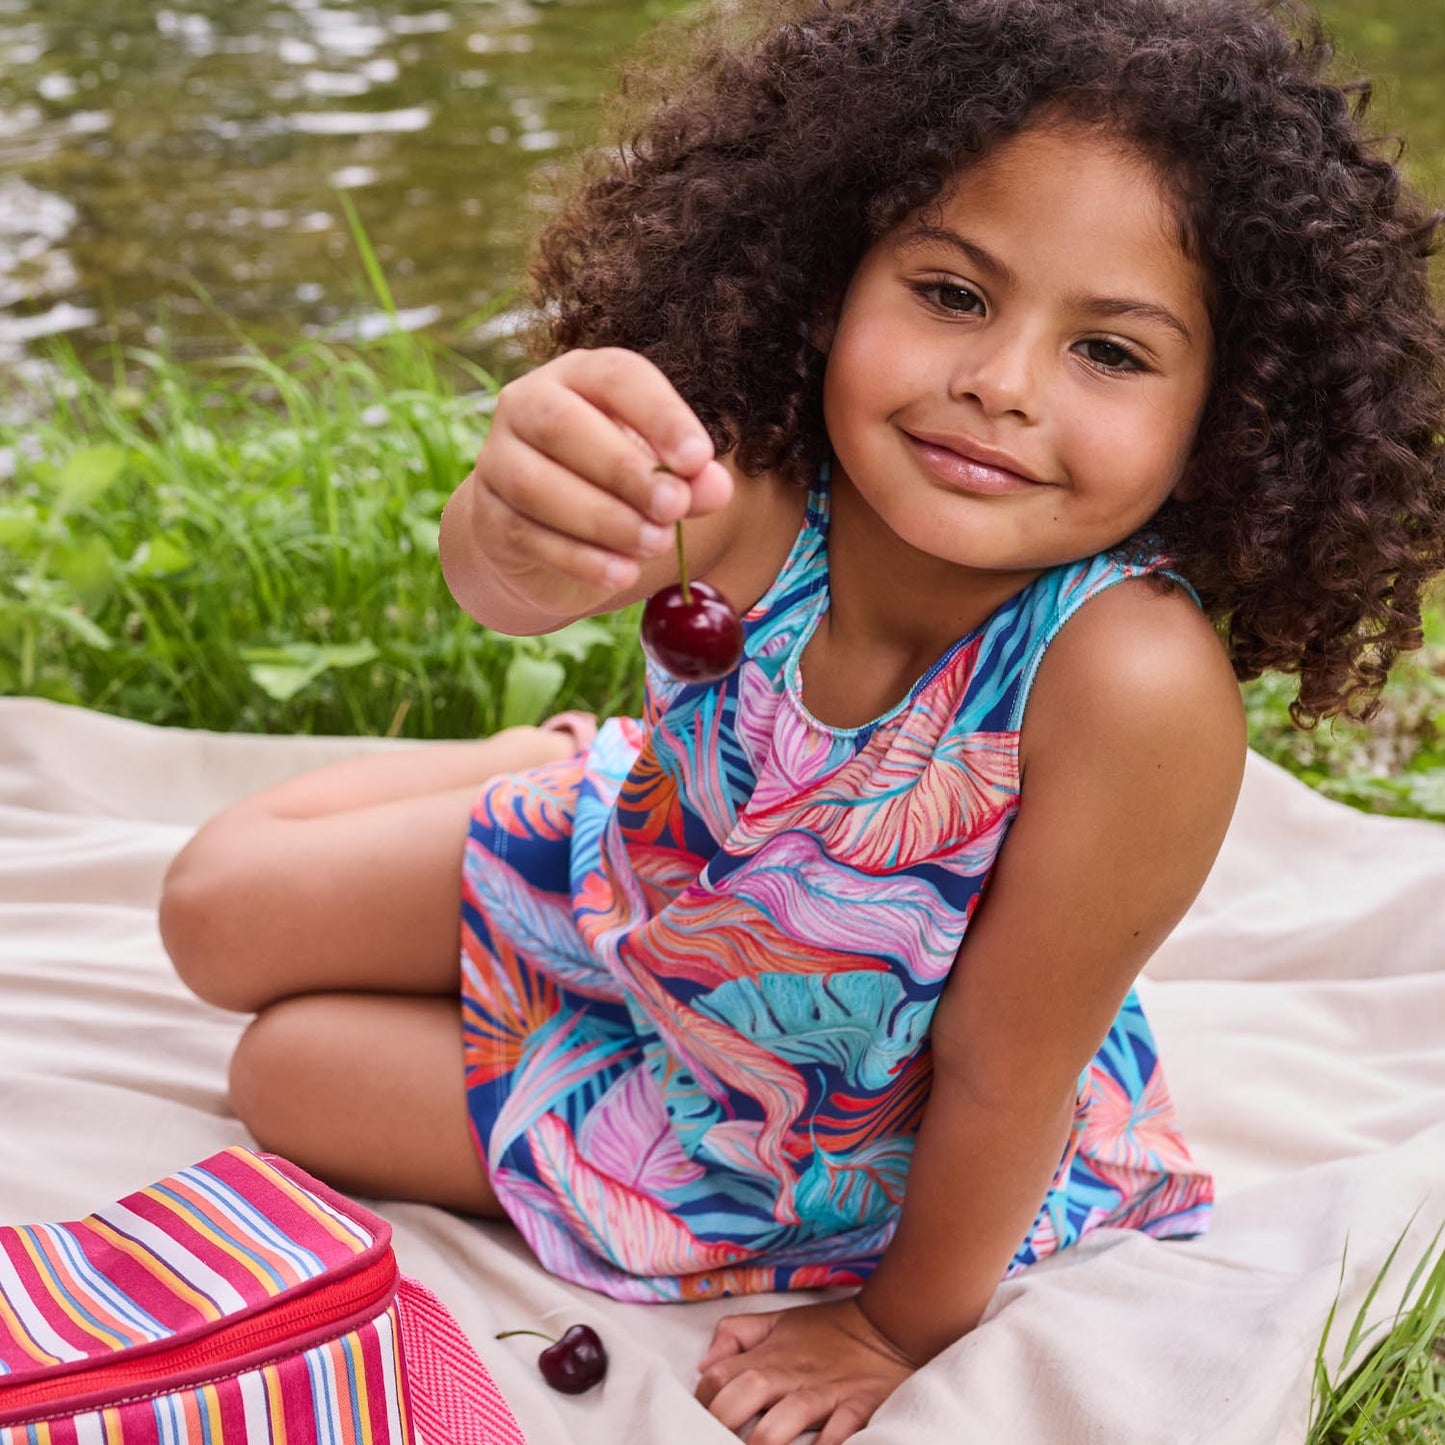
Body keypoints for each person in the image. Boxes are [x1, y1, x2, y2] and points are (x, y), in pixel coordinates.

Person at [159, 0, 1445, 1439]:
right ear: (836, 274)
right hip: (647, 883)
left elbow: (1002, 1072)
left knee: (285, 1073)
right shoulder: (761, 488)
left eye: (1110, 353)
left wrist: (896, 1328)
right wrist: (515, 519)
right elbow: (513, 587)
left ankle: (567, 820)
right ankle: (559, 766)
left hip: (827, 1124)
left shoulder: (1125, 681)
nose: (999, 383)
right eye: (951, 293)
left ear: (1230, 417)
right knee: (210, 911)